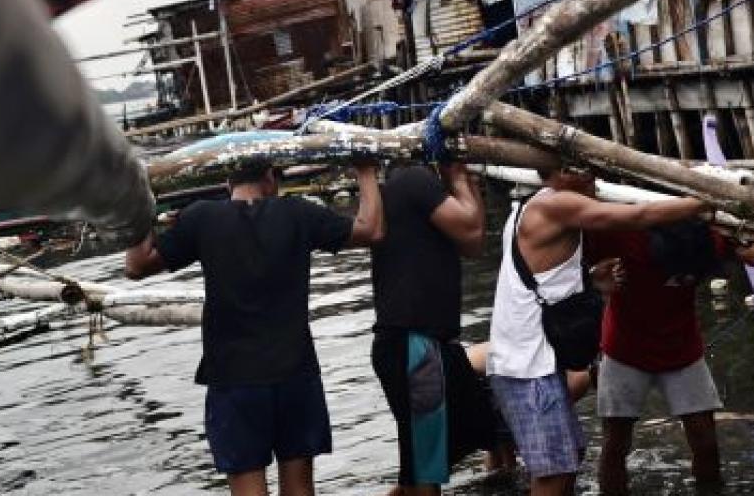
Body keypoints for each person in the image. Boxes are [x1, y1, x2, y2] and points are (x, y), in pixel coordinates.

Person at [124, 158, 384, 496]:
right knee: (300, 485)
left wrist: (140, 203)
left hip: (235, 380)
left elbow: (136, 265)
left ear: (229, 184)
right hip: (295, 373)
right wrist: (365, 171)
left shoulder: (202, 218)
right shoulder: (298, 213)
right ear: (269, 179)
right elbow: (372, 229)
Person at [487, 164, 708, 495]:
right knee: (554, 475)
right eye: (575, 168)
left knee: (569, 458)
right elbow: (638, 217)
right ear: (553, 173)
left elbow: (546, 283)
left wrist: (590, 280)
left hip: (535, 362)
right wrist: (702, 201)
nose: (589, 174)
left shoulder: (528, 207)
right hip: (528, 366)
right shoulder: (556, 205)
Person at [586, 218, 754, 492]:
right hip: (625, 349)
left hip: (682, 348)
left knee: (706, 441)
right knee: (616, 442)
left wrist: (751, 252)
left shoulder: (707, 239)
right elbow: (571, 257)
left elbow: (738, 251)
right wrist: (594, 277)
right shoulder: (627, 238)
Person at [368, 159, 488, 496]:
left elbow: (473, 244)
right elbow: (473, 229)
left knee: (427, 457)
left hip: (420, 341)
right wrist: (460, 177)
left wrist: (465, 185)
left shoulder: (405, 192)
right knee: (426, 466)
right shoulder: (413, 178)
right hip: (414, 343)